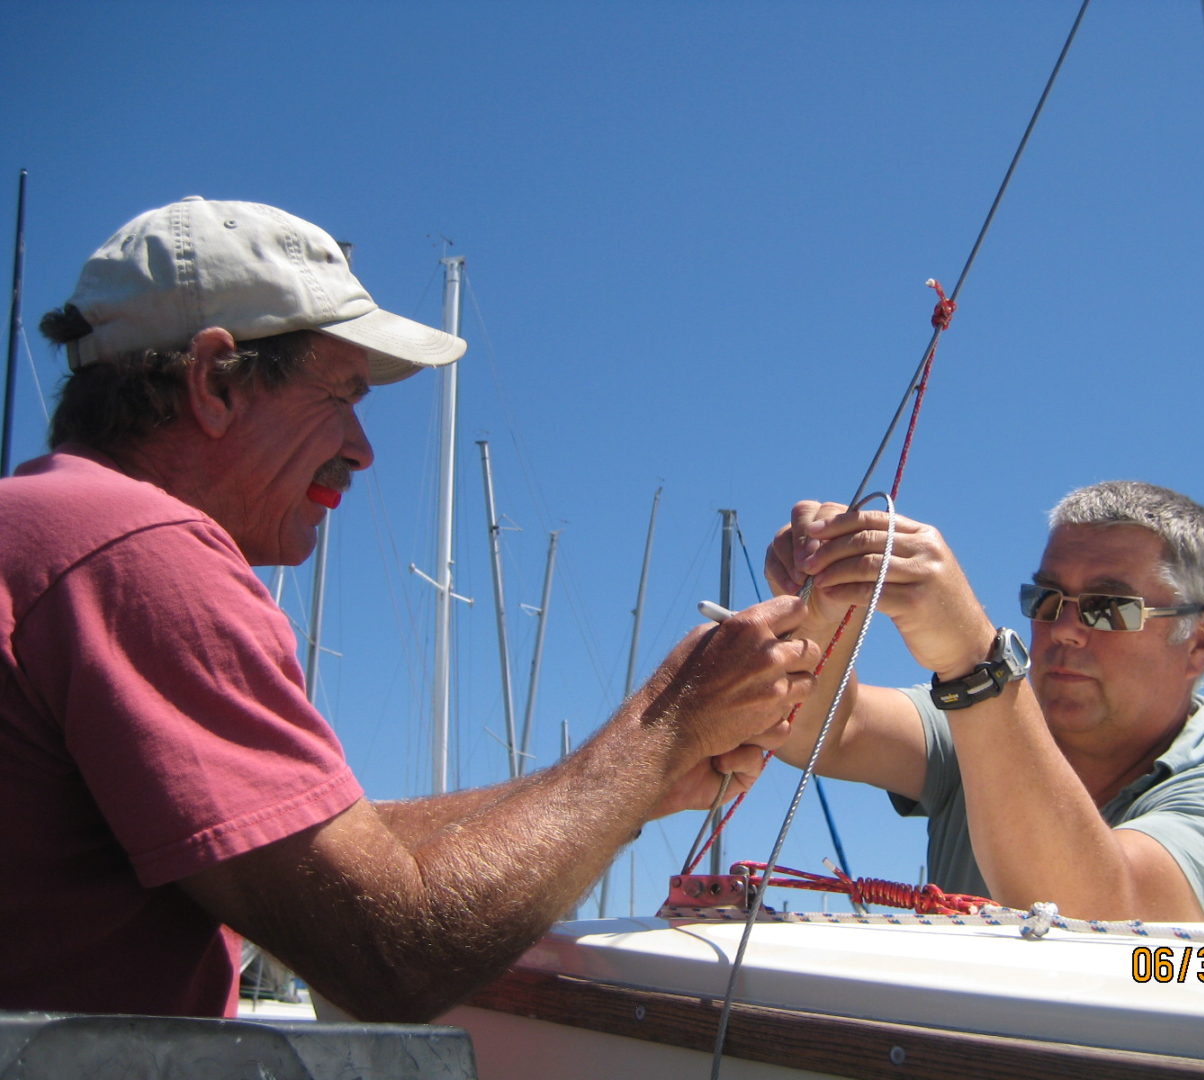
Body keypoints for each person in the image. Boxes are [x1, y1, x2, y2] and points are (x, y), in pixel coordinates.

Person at [0, 197, 821, 1022]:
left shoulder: (51, 532)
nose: (362, 448)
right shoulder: (137, 554)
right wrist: (666, 726)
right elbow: (390, 954)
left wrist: (640, 791)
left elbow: (329, 851)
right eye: (342, 396)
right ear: (215, 381)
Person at [765, 481, 1204, 923]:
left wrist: (978, 663)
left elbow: (1104, 919)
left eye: (1108, 608)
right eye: (1047, 600)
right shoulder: (981, 724)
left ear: (1200, 640)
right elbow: (823, 731)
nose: (1064, 629)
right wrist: (826, 597)